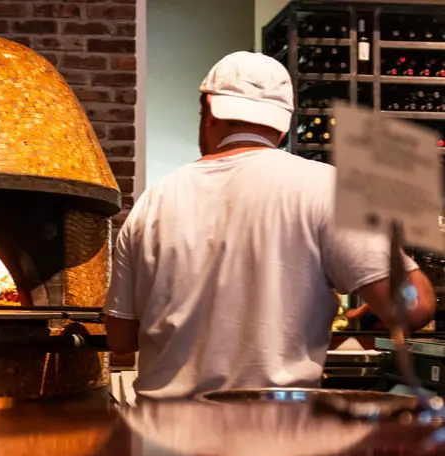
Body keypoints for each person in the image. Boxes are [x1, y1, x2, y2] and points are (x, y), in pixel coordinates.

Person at [103, 50, 436, 400]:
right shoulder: (327, 188)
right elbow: (412, 306)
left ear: (209, 112)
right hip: (275, 436)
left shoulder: (152, 201)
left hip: (162, 441)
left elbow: (121, 339)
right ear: (283, 126)